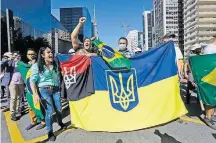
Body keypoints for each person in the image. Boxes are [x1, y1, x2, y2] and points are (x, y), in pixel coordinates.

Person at [30, 47, 66, 141]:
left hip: (56, 89)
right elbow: (32, 81)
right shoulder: (36, 66)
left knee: (59, 109)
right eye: (48, 52)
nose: (51, 54)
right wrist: (35, 94)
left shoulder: (55, 64)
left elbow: (61, 74)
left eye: (51, 52)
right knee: (49, 112)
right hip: (44, 91)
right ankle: (50, 132)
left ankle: (60, 122)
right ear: (42, 55)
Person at [23, 48, 46, 130]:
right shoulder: (24, 66)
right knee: (30, 107)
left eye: (33, 54)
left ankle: (43, 121)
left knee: (39, 105)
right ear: (26, 55)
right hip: (29, 90)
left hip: (38, 89)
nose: (31, 56)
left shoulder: (39, 64)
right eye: (29, 54)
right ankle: (33, 121)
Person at [202, 37, 216, 128]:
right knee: (211, 97)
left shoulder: (211, 48)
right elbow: (208, 63)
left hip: (213, 75)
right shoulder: (210, 48)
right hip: (211, 76)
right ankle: (208, 117)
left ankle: (213, 115)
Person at [8, 51, 24, 121]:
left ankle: (18, 110)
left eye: (18, 55)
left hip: (21, 82)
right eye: (15, 55)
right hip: (12, 82)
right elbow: (2, 64)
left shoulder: (22, 63)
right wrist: (10, 59)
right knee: (13, 98)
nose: (17, 57)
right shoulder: (11, 63)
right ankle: (12, 113)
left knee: (19, 97)